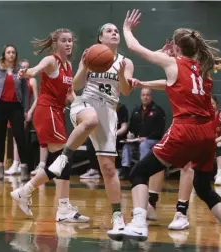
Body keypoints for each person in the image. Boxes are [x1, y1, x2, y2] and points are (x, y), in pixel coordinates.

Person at [121, 9, 221, 249]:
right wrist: (147, 82)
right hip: (206, 134)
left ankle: (138, 222)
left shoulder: (173, 63)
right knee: (203, 187)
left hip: (185, 130)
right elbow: (172, 83)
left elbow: (136, 49)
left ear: (177, 47)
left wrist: (127, 30)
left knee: (138, 172)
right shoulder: (203, 69)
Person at [47, 23, 134, 237]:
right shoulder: (90, 54)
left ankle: (117, 216)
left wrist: (122, 75)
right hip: (85, 104)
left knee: (108, 168)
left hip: (108, 112)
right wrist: (85, 66)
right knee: (89, 120)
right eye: (109, 31)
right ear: (100, 38)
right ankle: (64, 157)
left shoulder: (125, 62)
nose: (114, 33)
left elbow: (126, 91)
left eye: (116, 31)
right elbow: (74, 86)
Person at [10, 28, 89, 223]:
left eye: (70, 40)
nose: (69, 43)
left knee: (62, 161)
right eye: (64, 40)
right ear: (56, 43)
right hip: (47, 112)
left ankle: (62, 207)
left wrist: (81, 109)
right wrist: (27, 72)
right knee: (64, 159)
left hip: (57, 113)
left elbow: (70, 94)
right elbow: (36, 70)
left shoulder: (68, 66)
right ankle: (26, 191)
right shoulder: (51, 60)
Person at [0, 45, 29, 181]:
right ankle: (0, 168)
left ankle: (24, 168)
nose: (11, 54)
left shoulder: (20, 70)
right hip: (0, 106)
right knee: (0, 137)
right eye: (8, 52)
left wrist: (25, 109)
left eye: (13, 52)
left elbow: (25, 92)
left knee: (20, 136)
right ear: (4, 55)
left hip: (16, 107)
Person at [4, 59, 48, 176]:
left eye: (26, 67)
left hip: (25, 112)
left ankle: (20, 163)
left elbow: (37, 98)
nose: (24, 69)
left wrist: (30, 112)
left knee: (20, 138)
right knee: (15, 138)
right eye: (22, 67)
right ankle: (16, 164)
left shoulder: (32, 80)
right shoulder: (16, 79)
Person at [120, 88, 165, 179]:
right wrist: (130, 134)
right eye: (143, 95)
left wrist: (147, 137)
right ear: (140, 97)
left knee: (144, 145)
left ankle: (143, 170)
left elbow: (160, 131)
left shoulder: (158, 111)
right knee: (127, 146)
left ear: (151, 96)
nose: (145, 97)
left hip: (152, 140)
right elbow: (131, 128)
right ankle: (125, 170)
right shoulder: (136, 110)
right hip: (137, 140)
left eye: (147, 95)